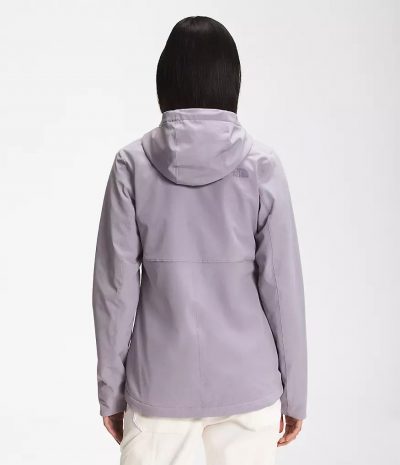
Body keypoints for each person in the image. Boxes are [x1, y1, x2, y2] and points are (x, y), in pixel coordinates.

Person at [92, 15, 307, 465]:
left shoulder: (131, 165)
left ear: (164, 82)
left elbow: (115, 292)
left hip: (158, 388)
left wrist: (111, 392)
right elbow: (282, 289)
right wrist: (296, 394)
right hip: (248, 387)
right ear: (232, 83)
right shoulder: (262, 165)